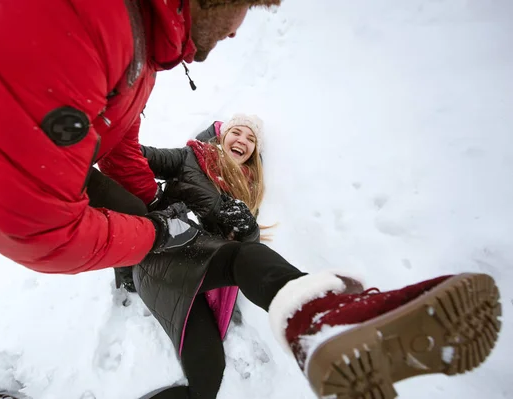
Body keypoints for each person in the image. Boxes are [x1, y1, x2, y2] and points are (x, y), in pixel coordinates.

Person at [0, 1, 284, 398]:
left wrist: (157, 208)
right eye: (246, 7)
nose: (235, 32)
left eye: (251, 141)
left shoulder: (145, 43)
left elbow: (119, 142)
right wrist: (155, 231)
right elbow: (46, 229)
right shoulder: (94, 27)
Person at [134, 115, 502, 399]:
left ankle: (327, 324)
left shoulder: (246, 192)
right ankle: (322, 314)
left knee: (206, 381)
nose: (243, 141)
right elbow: (136, 157)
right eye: (238, 132)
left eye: (251, 140)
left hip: (196, 277)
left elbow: (242, 244)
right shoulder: (188, 159)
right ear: (221, 134)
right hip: (163, 251)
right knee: (245, 257)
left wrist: (246, 225)